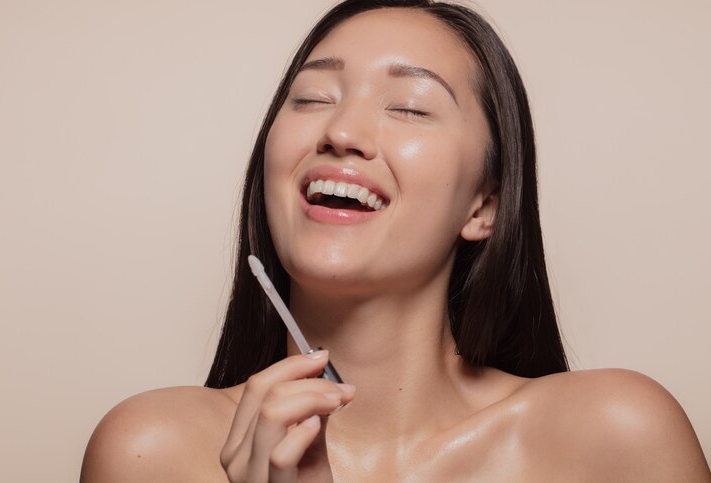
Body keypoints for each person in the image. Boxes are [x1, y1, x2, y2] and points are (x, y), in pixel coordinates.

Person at [80, 1, 710, 481]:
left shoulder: (617, 437)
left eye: (409, 106)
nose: (342, 131)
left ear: (485, 203)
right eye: (311, 98)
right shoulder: (152, 451)